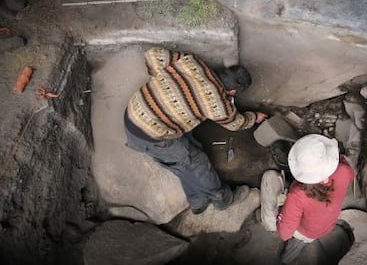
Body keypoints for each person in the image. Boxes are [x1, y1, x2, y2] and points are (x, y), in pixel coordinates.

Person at [124, 47, 267, 214]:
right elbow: (235, 124)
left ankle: (197, 202)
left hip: (134, 110)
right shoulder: (218, 104)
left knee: (185, 160)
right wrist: (254, 117)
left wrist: (165, 83)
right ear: (233, 92)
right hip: (148, 135)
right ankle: (223, 199)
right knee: (197, 163)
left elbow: (153, 54)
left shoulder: (193, 63)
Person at [260, 134, 355, 263]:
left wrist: (282, 213)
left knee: (269, 177)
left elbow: (285, 234)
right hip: (327, 225)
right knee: (305, 229)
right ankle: (298, 245)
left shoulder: (298, 195)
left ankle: (270, 223)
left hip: (305, 231)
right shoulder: (344, 170)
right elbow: (342, 162)